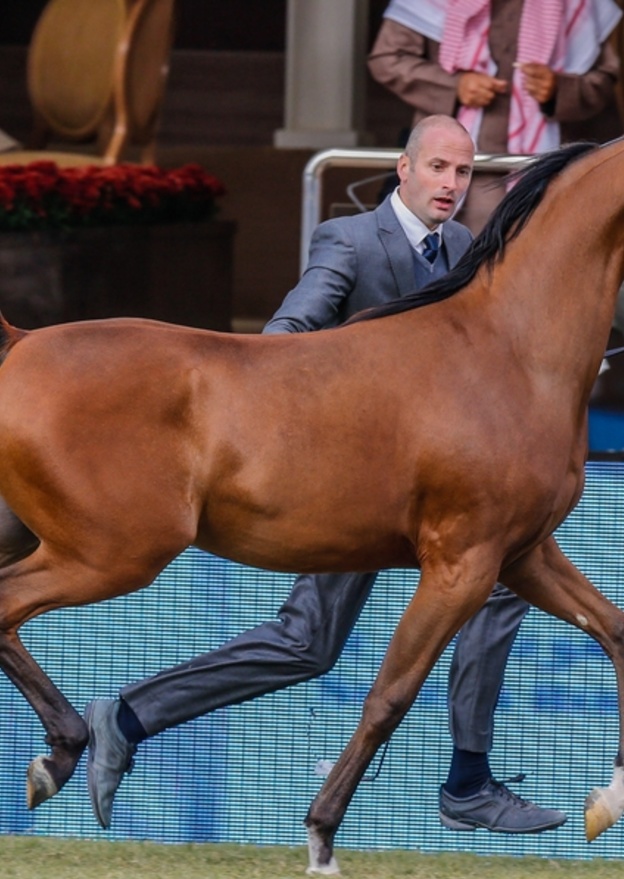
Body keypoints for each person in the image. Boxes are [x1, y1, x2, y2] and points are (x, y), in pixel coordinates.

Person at [84, 115, 566, 835]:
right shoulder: (350, 239)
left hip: (444, 486)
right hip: (351, 481)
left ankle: (469, 778)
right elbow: (287, 337)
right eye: (437, 168)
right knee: (307, 644)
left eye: (462, 173)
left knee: (502, 590)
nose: (450, 184)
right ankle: (124, 715)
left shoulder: (468, 248)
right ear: (402, 169)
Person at [368, 0, 622, 232]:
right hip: (456, 168)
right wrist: (455, 87)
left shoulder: (578, 4)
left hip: (546, 170)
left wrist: (558, 90)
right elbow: (388, 58)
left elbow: (604, 77)